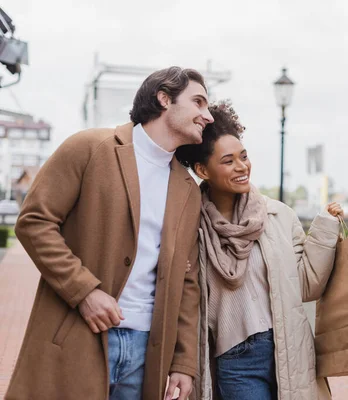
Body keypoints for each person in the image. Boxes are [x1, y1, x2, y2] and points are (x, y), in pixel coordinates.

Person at [6, 66, 214, 400]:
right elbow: (34, 222)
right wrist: (84, 292)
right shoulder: (89, 148)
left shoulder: (187, 188)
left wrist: (184, 362)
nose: (208, 116)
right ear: (164, 99)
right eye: (199, 102)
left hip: (147, 352)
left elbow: (187, 282)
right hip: (78, 334)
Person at [175, 100, 342, 400]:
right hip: (235, 361)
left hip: (288, 351)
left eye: (244, 156)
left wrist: (326, 230)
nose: (242, 167)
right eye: (228, 161)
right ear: (202, 169)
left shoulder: (277, 215)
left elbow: (305, 285)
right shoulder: (190, 228)